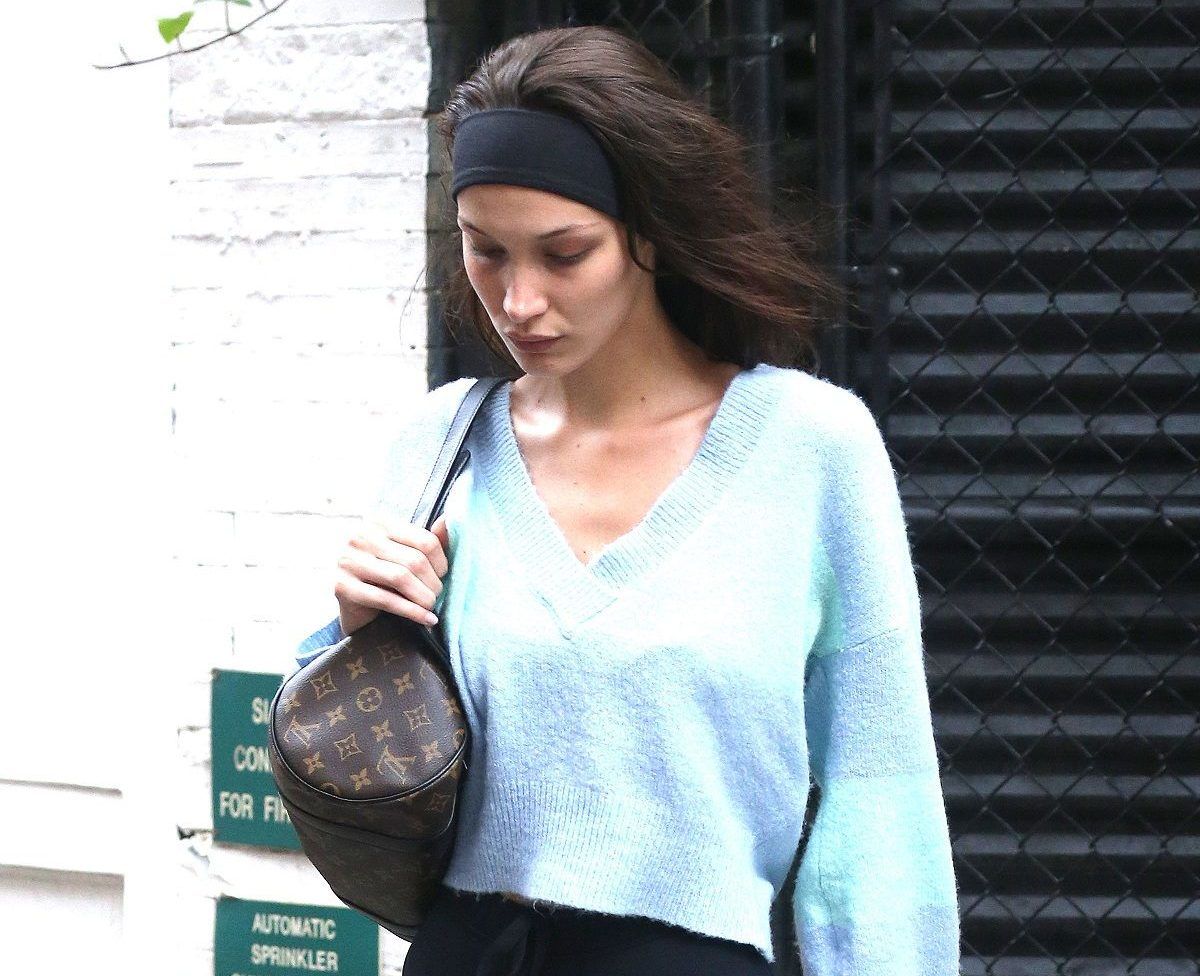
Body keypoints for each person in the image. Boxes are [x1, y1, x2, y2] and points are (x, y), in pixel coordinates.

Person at [293, 23, 961, 976]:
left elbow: (880, 799)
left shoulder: (811, 449)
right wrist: (359, 626)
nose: (519, 300)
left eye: (564, 254)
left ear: (649, 231)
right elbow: (350, 749)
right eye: (487, 251)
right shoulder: (443, 445)